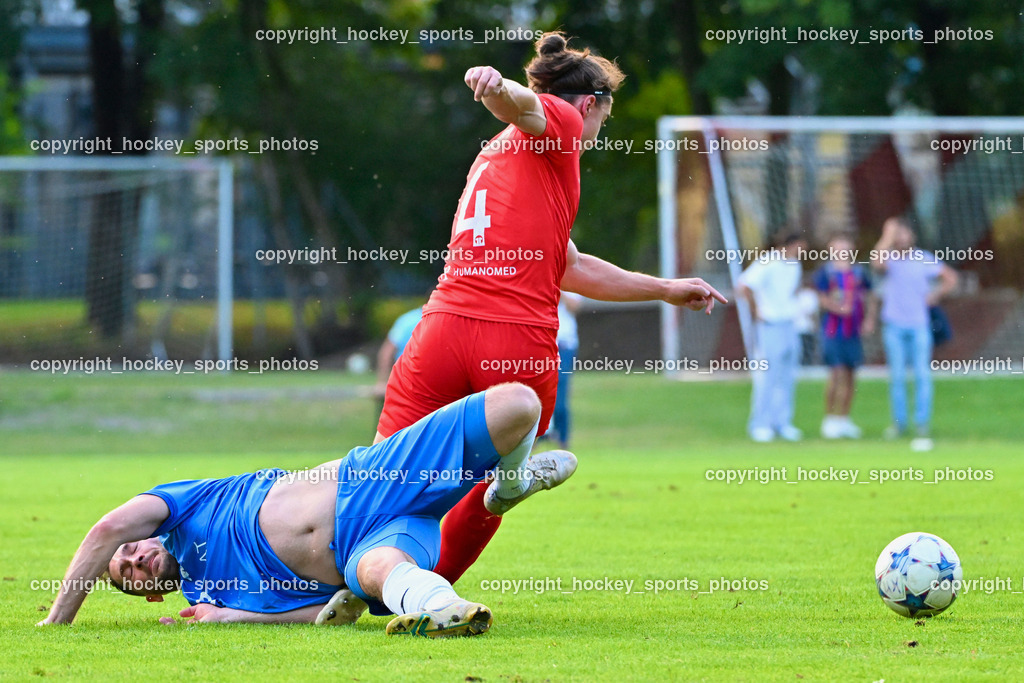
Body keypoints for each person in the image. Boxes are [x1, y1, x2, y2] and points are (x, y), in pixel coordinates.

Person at [375, 31, 726, 586]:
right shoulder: (561, 123)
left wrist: (664, 288)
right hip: (514, 340)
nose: (599, 131)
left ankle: (354, 577)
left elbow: (572, 266)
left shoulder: (497, 153)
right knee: (493, 482)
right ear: (589, 105)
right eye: (605, 118)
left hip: (438, 330)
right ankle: (442, 565)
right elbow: (524, 105)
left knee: (379, 473)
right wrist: (495, 85)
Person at [37, 383, 576, 638]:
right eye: (130, 574)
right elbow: (321, 612)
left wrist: (58, 618)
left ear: (148, 535)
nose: (135, 559)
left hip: (366, 480)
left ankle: (509, 486)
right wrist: (230, 617)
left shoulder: (181, 504)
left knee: (518, 405)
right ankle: (447, 610)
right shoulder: (208, 602)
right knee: (377, 572)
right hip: (369, 546)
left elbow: (109, 527)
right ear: (150, 595)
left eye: (131, 551)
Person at [871, 217, 958, 451]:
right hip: (894, 325)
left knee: (922, 375)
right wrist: (887, 235)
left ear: (912, 235)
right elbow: (876, 262)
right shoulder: (889, 258)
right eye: (897, 234)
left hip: (919, 324)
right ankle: (899, 424)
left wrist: (935, 295)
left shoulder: (923, 258)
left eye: (903, 233)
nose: (901, 238)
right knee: (897, 377)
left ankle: (922, 423)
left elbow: (950, 277)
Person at [736, 233, 807, 443]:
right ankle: (760, 424)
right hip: (770, 325)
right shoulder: (768, 261)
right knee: (767, 376)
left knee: (787, 376)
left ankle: (782, 422)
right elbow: (744, 286)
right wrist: (756, 310)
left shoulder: (794, 265)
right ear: (790, 245)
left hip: (789, 324)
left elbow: (792, 291)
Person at [814, 232, 877, 439]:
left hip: (853, 332)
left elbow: (871, 296)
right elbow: (822, 298)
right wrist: (839, 308)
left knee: (850, 375)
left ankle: (844, 419)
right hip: (834, 331)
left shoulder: (858, 272)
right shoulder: (826, 273)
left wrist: (869, 319)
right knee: (836, 373)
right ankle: (829, 419)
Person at [374, 304, 424, 400]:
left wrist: (382, 382)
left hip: (405, 380)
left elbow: (387, 352)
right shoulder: (443, 320)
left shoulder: (407, 320)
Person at [552, 291, 582, 449]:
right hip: (541, 342)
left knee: (560, 393)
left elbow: (574, 305)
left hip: (564, 344)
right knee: (537, 391)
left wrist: (558, 288)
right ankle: (538, 436)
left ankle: (563, 438)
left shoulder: (569, 282)